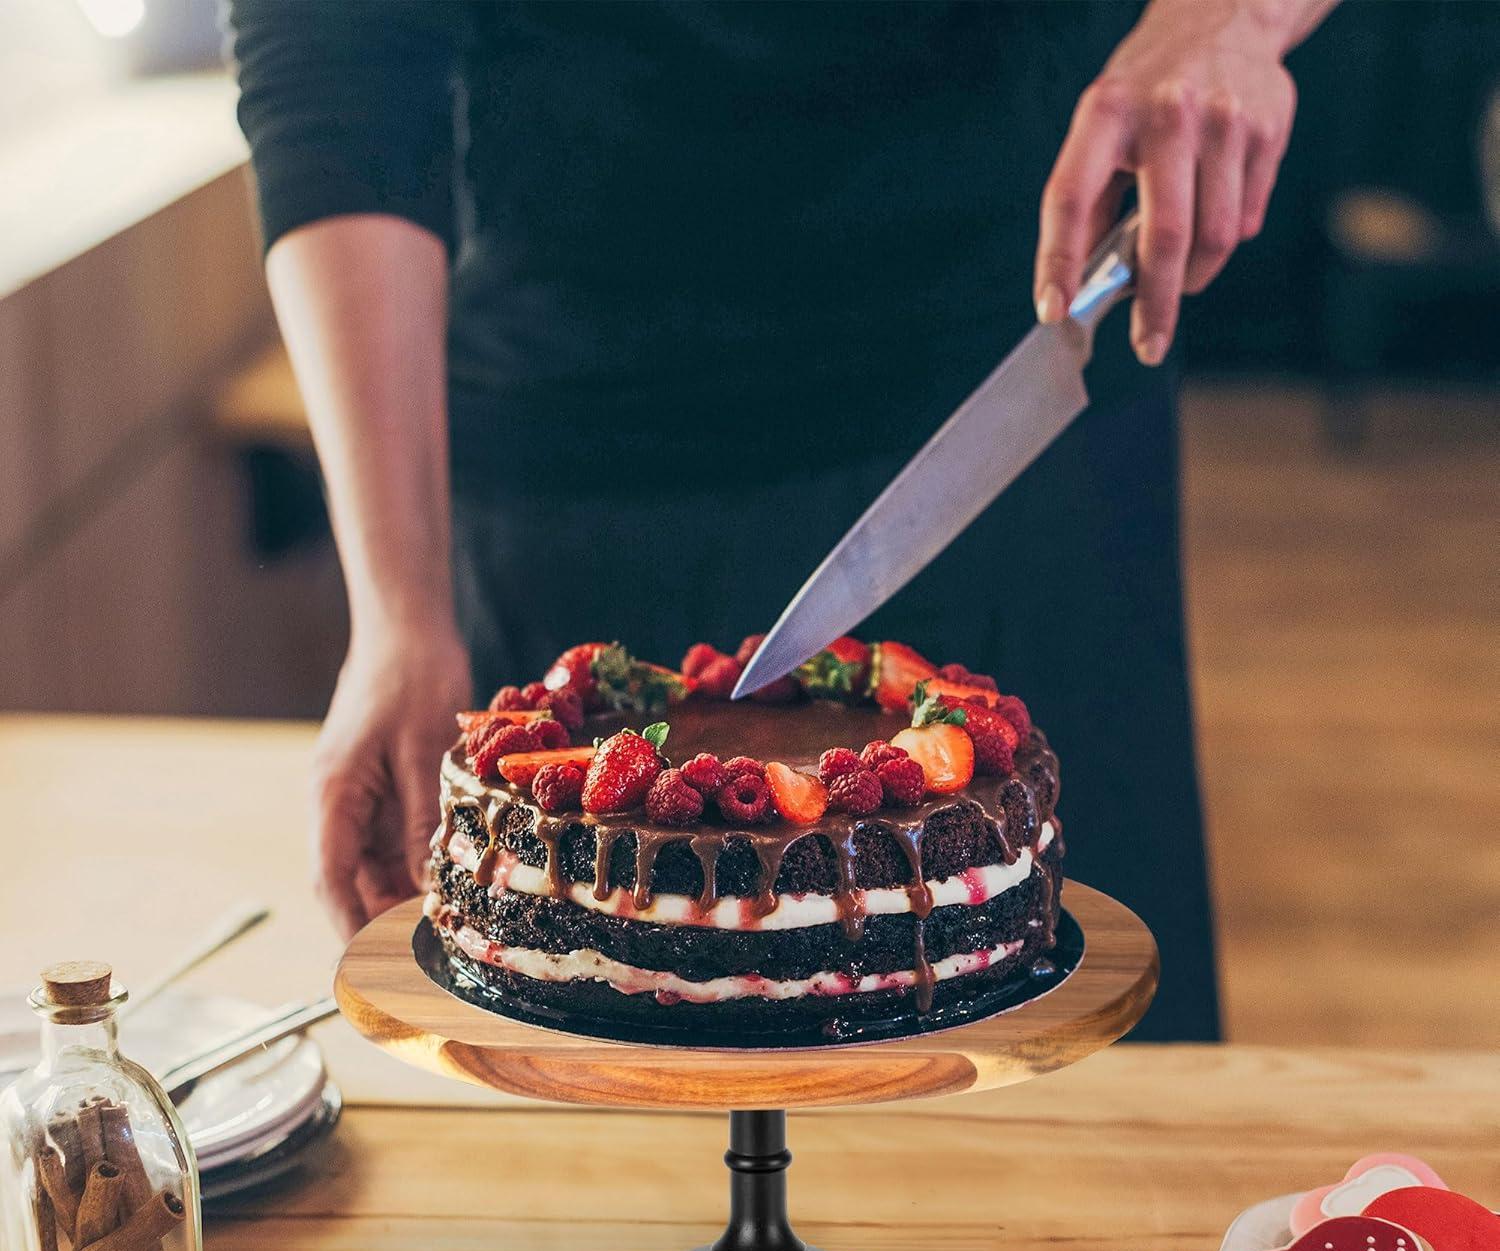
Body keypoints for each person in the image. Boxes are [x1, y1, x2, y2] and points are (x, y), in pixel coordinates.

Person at [228, 0, 1336, 1042]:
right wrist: (396, 609)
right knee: (602, 1172)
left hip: (1019, 377)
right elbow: (335, 46)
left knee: (1099, 1122)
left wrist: (1230, 20)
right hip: (582, 447)